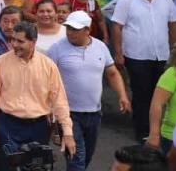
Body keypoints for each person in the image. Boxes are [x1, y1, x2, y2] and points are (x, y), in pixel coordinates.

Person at [0, 22, 75, 170]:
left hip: (38, 127)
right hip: (7, 126)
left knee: (34, 167)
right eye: (13, 40)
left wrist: (68, 133)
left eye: (20, 41)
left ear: (33, 42)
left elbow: (60, 101)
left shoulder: (48, 65)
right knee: (7, 167)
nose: (14, 44)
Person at [47, 11, 131, 170]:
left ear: (87, 30)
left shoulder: (100, 47)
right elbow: (47, 80)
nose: (70, 32)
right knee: (77, 158)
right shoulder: (57, 49)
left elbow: (112, 73)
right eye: (68, 28)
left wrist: (123, 96)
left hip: (94, 113)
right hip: (68, 114)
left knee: (86, 156)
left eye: (75, 29)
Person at [112, 0, 176, 141]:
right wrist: (118, 53)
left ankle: (157, 128)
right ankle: (143, 132)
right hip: (136, 56)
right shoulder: (126, 1)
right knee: (142, 94)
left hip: (162, 56)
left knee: (159, 94)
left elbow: (173, 25)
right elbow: (117, 27)